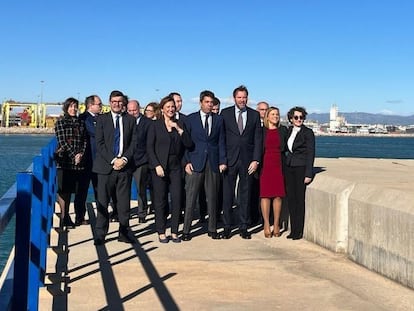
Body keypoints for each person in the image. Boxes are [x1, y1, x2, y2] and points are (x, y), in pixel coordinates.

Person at [92, 90, 137, 245]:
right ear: (109, 102)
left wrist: (124, 159)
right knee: (103, 201)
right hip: (106, 167)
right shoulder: (102, 120)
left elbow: (134, 143)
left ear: (123, 103)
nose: (117, 104)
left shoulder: (130, 120)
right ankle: (100, 233)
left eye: (119, 101)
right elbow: (99, 144)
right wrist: (113, 160)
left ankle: (124, 232)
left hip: (124, 167)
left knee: (124, 203)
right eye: (114, 101)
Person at [146, 95, 193, 243]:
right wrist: (157, 165)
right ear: (162, 109)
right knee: (160, 201)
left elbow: (189, 144)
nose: (171, 109)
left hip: (175, 166)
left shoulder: (179, 124)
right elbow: (149, 148)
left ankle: (174, 231)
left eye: (173, 106)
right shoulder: (155, 125)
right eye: (168, 107)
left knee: (177, 198)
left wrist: (179, 129)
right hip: (160, 166)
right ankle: (161, 231)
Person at [182, 90, 227, 241]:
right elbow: (185, 143)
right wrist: (186, 162)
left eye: (211, 103)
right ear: (200, 102)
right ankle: (186, 230)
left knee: (212, 197)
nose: (209, 105)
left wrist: (222, 161)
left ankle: (212, 228)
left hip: (213, 163)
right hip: (195, 162)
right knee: (191, 198)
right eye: (207, 102)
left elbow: (221, 141)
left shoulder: (219, 120)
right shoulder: (190, 119)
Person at [221, 85, 263, 239]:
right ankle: (227, 226)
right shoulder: (225, 114)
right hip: (229, 160)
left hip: (247, 161)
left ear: (247, 98)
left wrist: (256, 160)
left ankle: (243, 227)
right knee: (228, 195)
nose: (242, 100)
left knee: (245, 194)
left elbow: (258, 139)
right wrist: (222, 159)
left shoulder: (254, 115)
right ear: (234, 98)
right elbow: (221, 139)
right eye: (239, 97)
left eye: (244, 97)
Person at [54, 97, 87, 228]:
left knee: (74, 189)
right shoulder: (61, 122)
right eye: (71, 106)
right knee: (64, 190)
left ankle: (67, 216)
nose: (73, 109)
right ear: (66, 108)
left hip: (78, 161)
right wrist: (74, 155)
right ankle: (64, 216)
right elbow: (62, 141)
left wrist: (81, 154)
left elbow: (84, 140)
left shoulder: (80, 122)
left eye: (75, 106)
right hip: (65, 160)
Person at [285, 106, 315, 240]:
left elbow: (310, 153)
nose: (299, 120)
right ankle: (293, 229)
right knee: (291, 199)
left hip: (301, 168)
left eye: (301, 117)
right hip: (289, 166)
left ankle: (298, 231)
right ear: (291, 118)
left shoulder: (308, 133)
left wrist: (308, 173)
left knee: (299, 201)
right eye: (296, 117)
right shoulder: (289, 130)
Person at [259, 107, 288, 238]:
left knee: (277, 196)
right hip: (265, 165)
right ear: (267, 116)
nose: (275, 116)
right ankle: (266, 224)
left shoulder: (283, 130)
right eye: (272, 114)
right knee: (265, 195)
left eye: (277, 114)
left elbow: (288, 147)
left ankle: (276, 224)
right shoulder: (261, 131)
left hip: (279, 165)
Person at [75, 95, 102, 226]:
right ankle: (80, 216)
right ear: (91, 105)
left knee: (100, 190)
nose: (101, 106)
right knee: (82, 191)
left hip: (98, 160)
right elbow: (95, 132)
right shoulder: (83, 118)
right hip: (86, 161)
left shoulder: (101, 118)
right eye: (99, 104)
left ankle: (101, 216)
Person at [127, 99, 151, 223]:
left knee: (141, 189)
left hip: (141, 161)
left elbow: (150, 143)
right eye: (130, 110)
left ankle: (142, 213)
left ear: (139, 109)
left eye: (134, 110)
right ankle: (124, 212)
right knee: (124, 189)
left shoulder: (147, 123)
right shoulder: (124, 121)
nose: (132, 113)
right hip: (126, 161)